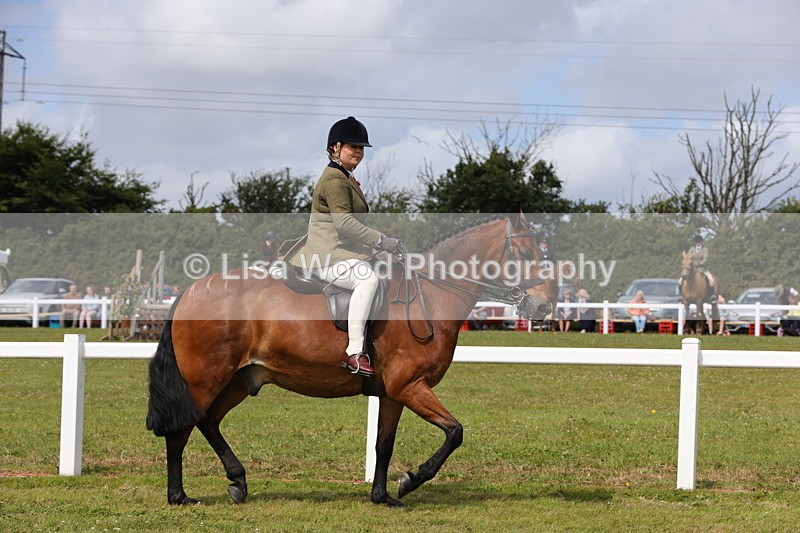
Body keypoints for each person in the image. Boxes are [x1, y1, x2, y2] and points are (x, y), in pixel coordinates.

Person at [289, 117, 401, 377]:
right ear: (335, 148)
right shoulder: (335, 180)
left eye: (362, 148)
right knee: (368, 280)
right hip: (328, 255)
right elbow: (344, 223)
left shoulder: (345, 177)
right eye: (353, 147)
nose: (359, 152)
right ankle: (354, 353)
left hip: (343, 252)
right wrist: (381, 240)